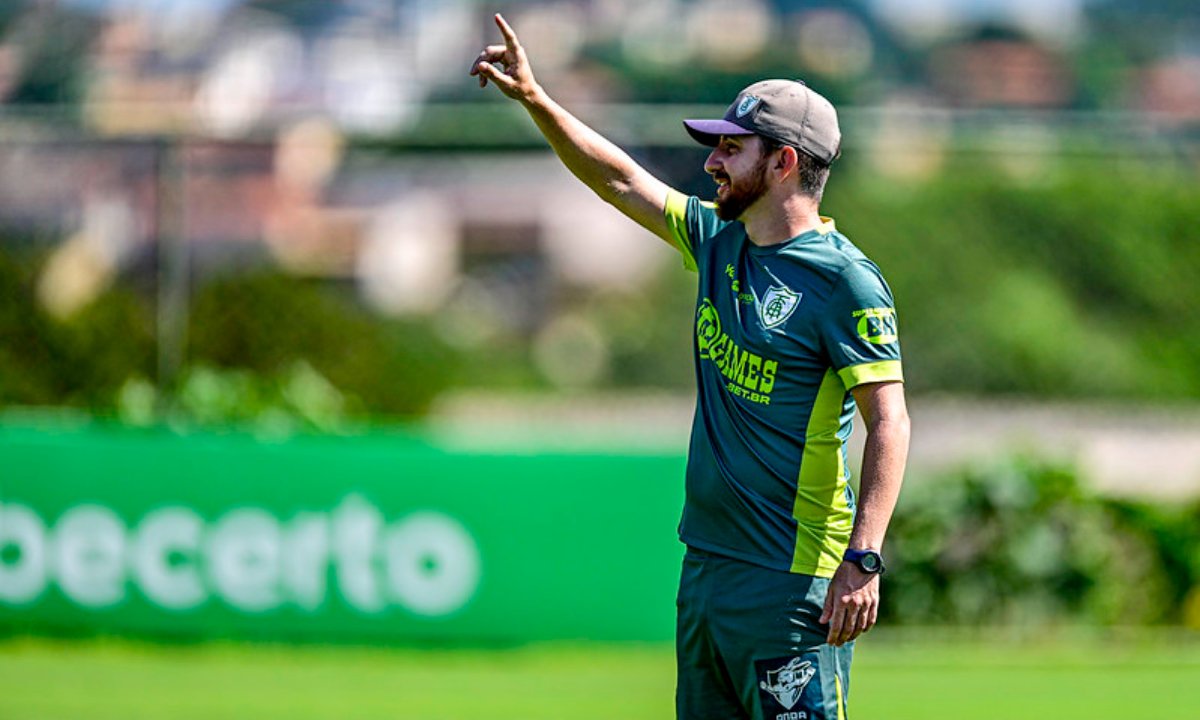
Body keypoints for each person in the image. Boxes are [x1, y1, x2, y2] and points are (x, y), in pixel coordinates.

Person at [471, 14, 910, 720]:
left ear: (784, 163)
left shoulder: (844, 281)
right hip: (705, 569)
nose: (712, 162)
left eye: (731, 148)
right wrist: (534, 98)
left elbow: (889, 420)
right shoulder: (715, 239)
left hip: (789, 580)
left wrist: (863, 560)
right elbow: (618, 181)